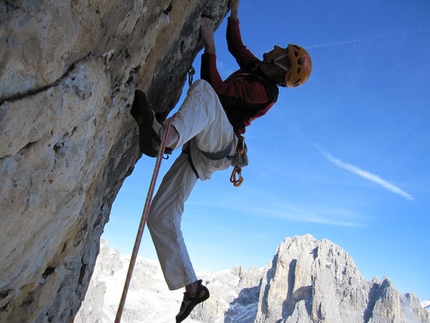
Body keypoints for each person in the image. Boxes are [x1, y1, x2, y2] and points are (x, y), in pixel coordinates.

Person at [130, 0, 312, 321]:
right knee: (159, 216)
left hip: (220, 142)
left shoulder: (265, 92)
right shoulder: (258, 68)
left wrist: (208, 48)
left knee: (202, 90)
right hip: (206, 140)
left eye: (282, 49)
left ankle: (164, 137)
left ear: (283, 64)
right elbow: (237, 46)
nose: (274, 46)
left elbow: (219, 89)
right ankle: (192, 288)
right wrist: (235, 13)